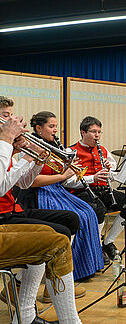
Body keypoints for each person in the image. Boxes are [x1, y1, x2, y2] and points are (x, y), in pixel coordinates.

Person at [0, 107, 82, 324]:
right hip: (3, 216)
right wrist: (21, 154)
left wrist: (36, 161)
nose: (12, 121)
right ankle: (29, 312)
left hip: (12, 210)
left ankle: (28, 310)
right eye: (6, 116)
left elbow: (23, 183)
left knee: (71, 220)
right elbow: (1, 186)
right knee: (57, 237)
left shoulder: (5, 149)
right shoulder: (3, 147)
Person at [16, 111, 104, 282]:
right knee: (78, 216)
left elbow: (63, 178)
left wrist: (68, 169)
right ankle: (64, 274)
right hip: (38, 194)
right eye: (51, 126)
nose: (55, 130)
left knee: (89, 212)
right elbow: (32, 182)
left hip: (57, 190)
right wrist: (63, 175)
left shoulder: (55, 146)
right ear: (39, 129)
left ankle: (84, 268)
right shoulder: (29, 147)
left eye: (56, 126)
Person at [64, 116, 126, 262]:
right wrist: (94, 178)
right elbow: (68, 182)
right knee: (99, 209)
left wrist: (110, 171)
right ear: (83, 132)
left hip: (102, 190)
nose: (97, 135)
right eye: (93, 132)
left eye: (99, 132)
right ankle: (96, 246)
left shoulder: (103, 150)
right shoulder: (71, 151)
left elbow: (114, 175)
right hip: (81, 192)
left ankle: (108, 242)